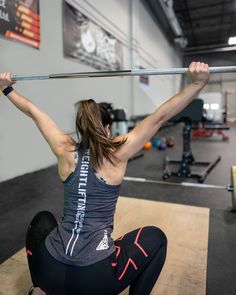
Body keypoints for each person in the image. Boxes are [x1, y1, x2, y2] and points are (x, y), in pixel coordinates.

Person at [0, 61, 209, 295]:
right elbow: (160, 117)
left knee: (41, 221)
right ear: (108, 130)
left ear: (80, 129)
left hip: (49, 273)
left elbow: (33, 112)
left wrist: (6, 88)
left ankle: (38, 290)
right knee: (156, 238)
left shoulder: (64, 149)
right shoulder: (116, 153)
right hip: (94, 282)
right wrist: (197, 84)